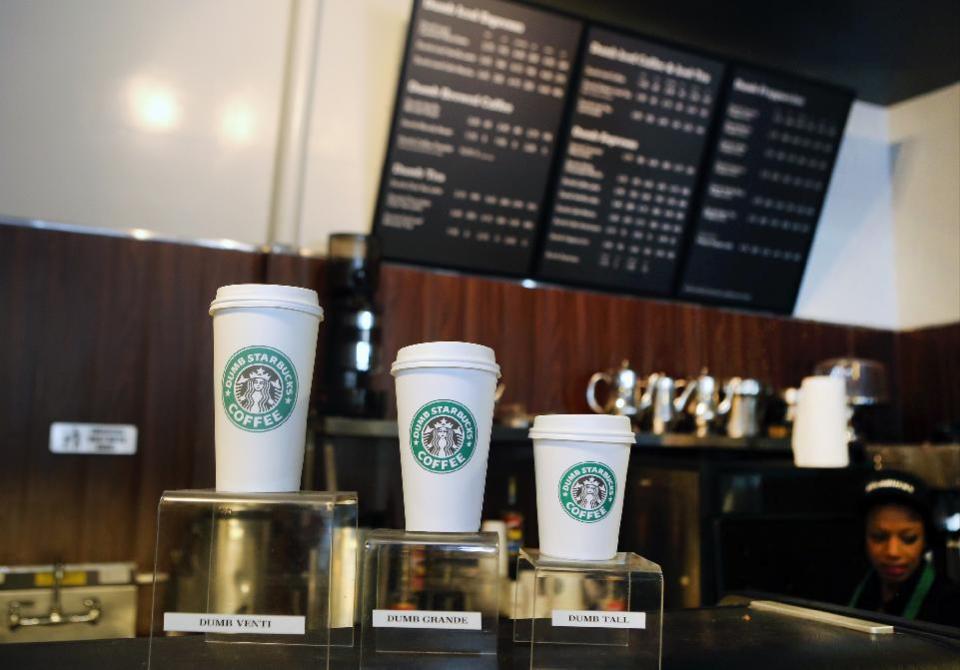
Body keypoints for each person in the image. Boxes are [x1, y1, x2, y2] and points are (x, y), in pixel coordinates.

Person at [849, 471, 960, 627]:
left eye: (909, 538)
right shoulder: (847, 588)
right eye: (879, 537)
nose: (892, 552)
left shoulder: (951, 606)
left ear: (925, 540)